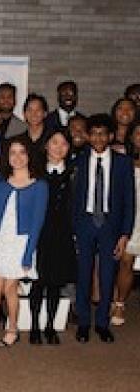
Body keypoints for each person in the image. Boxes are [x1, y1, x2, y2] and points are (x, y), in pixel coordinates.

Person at [0, 135, 48, 353]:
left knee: (10, 288)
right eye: (12, 152)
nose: (17, 157)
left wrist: (29, 254)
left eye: (22, 152)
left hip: (20, 242)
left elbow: (37, 222)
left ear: (29, 155)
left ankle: (12, 328)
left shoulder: (40, 185)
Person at [74, 114, 134, 344]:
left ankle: (102, 323)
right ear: (88, 136)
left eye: (103, 133)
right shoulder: (79, 160)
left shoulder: (122, 163)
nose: (98, 137)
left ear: (110, 136)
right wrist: (74, 228)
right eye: (94, 133)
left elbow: (129, 200)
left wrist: (125, 233)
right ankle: (83, 323)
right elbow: (74, 197)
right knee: (83, 274)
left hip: (110, 225)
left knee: (108, 275)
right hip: (85, 223)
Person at [29, 130, 76, 345]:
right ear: (46, 145)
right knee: (38, 282)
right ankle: (35, 326)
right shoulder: (35, 172)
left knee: (55, 283)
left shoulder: (74, 172)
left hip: (63, 234)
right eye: (54, 142)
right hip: (40, 232)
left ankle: (50, 325)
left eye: (64, 143)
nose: (59, 147)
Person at [110, 121, 140, 325]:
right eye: (138, 133)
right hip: (132, 216)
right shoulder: (122, 160)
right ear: (131, 136)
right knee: (126, 260)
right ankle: (119, 302)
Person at [19, 93, 50, 164]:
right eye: (30, 110)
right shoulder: (19, 139)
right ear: (24, 114)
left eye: (38, 110)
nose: (34, 114)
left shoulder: (52, 137)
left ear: (45, 113)